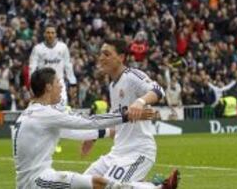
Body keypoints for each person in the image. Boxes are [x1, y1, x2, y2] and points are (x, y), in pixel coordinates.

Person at [13, 67, 165, 189]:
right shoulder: (45, 113)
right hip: (37, 182)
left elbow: (71, 132)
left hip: (34, 179)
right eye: (58, 82)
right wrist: (126, 116)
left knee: (97, 183)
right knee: (98, 183)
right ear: (48, 87)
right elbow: (87, 121)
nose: (61, 86)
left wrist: (108, 132)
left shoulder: (32, 113)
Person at [81, 39, 179, 188]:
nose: (101, 58)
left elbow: (159, 91)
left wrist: (140, 102)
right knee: (82, 184)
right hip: (116, 153)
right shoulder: (113, 86)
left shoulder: (132, 76)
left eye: (107, 54)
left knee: (109, 187)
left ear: (121, 57)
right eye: (101, 54)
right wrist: (95, 136)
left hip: (138, 151)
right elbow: (118, 127)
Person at [29, 24, 77, 111]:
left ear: (56, 34)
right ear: (44, 34)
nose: (50, 35)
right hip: (42, 83)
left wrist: (73, 82)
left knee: (61, 108)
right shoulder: (38, 49)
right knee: (41, 109)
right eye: (48, 33)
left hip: (59, 82)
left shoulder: (62, 47)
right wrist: (31, 85)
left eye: (52, 33)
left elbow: (68, 65)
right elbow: (32, 67)